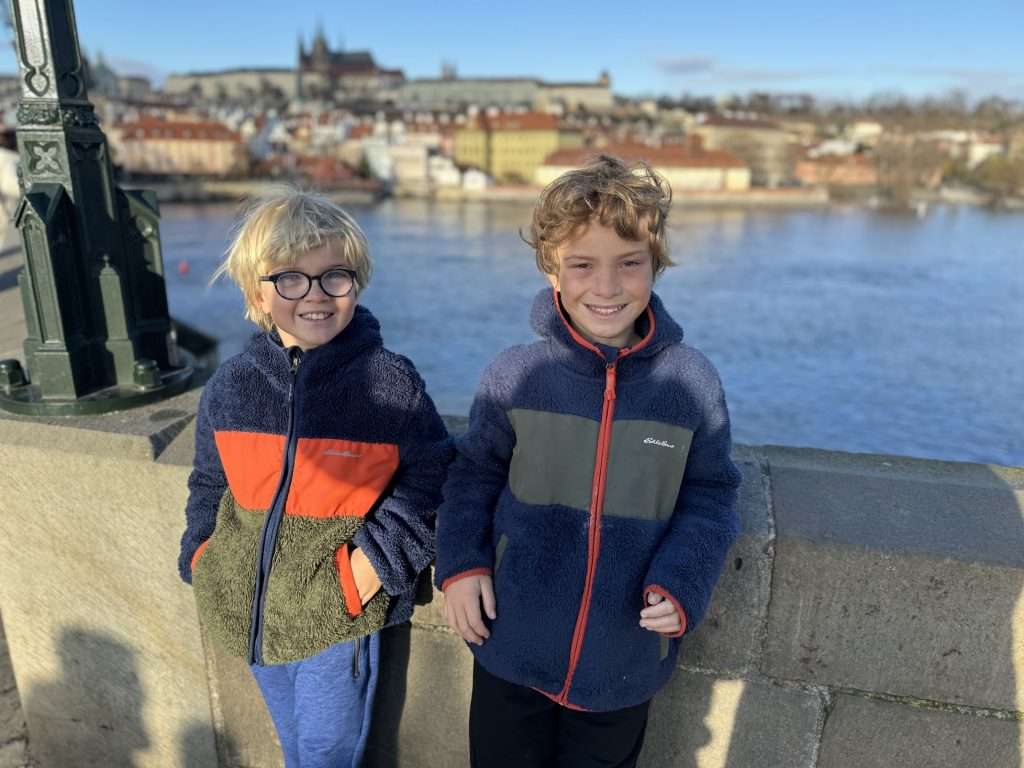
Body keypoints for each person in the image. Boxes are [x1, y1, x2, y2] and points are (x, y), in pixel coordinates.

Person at [435, 155, 742, 767]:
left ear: (656, 265)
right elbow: (472, 477)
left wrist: (682, 582)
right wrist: (462, 565)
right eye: (582, 265)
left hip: (621, 658)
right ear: (553, 271)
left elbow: (712, 496)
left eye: (629, 263)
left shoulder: (691, 384)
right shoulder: (514, 376)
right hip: (510, 646)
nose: (606, 287)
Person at [178, 189, 450, 768]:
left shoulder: (388, 383)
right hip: (252, 611)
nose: (316, 296)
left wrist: (367, 568)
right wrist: (202, 558)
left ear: (357, 282)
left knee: (330, 752)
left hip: (338, 620)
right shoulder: (230, 387)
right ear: (258, 292)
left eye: (334, 277)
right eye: (291, 280)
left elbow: (432, 478)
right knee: (297, 746)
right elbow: (208, 483)